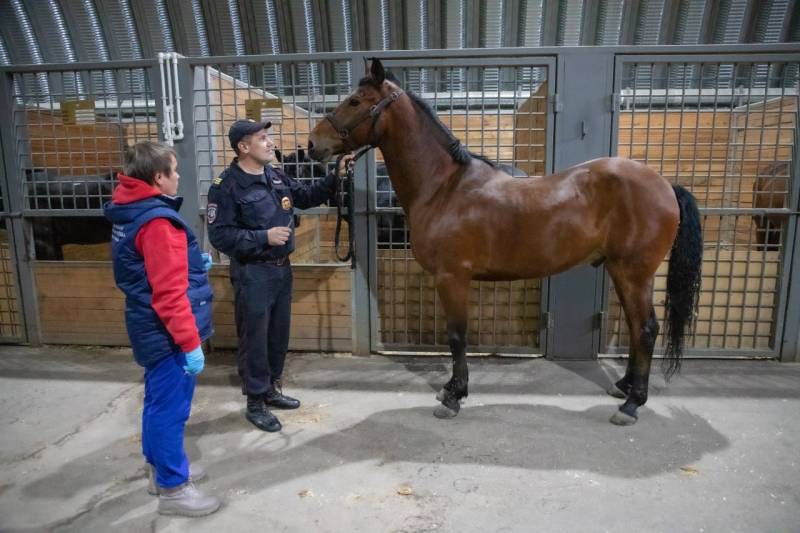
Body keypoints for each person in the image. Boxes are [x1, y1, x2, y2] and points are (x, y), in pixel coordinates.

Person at [207, 120, 352, 432]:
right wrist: (263, 237)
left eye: (268, 136)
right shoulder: (226, 187)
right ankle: (255, 401)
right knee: (255, 338)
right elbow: (220, 236)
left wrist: (333, 177)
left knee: (276, 335)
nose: (270, 142)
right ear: (244, 147)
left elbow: (305, 196)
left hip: (281, 270)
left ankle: (271, 388)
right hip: (252, 272)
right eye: (262, 138)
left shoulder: (275, 175)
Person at [104, 141, 221, 517]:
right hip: (166, 330)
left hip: (145, 323)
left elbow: (139, 267)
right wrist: (189, 342)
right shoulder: (157, 222)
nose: (178, 178)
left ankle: (160, 470)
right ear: (158, 177)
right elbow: (169, 294)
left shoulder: (129, 210)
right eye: (174, 171)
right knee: (171, 409)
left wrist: (190, 261)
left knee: (156, 402)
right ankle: (174, 488)